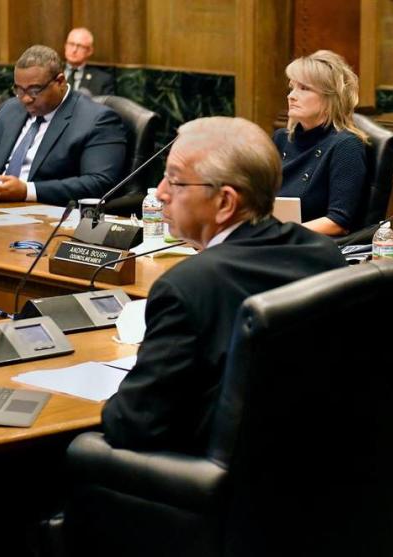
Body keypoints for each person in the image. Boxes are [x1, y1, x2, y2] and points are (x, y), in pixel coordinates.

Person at [101, 116, 346, 453]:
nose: (159, 193)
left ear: (226, 203)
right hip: (312, 466)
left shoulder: (188, 285)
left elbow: (135, 423)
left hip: (207, 486)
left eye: (175, 181)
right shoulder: (325, 255)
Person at [0, 45, 126, 206]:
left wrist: (27, 191)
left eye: (34, 90)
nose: (25, 99)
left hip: (44, 214)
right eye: (19, 90)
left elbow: (99, 183)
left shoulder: (97, 120)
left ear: (60, 81)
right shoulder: (11, 109)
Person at [273, 50, 368, 236]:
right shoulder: (282, 138)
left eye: (304, 88)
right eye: (292, 87)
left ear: (330, 97)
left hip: (312, 248)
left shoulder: (346, 146)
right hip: (273, 242)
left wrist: (278, 234)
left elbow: (338, 222)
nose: (291, 96)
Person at [64, 27, 114, 96]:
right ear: (65, 46)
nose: (74, 50)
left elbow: (106, 105)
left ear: (89, 51)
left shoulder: (102, 80)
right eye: (71, 44)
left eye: (80, 46)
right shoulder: (52, 72)